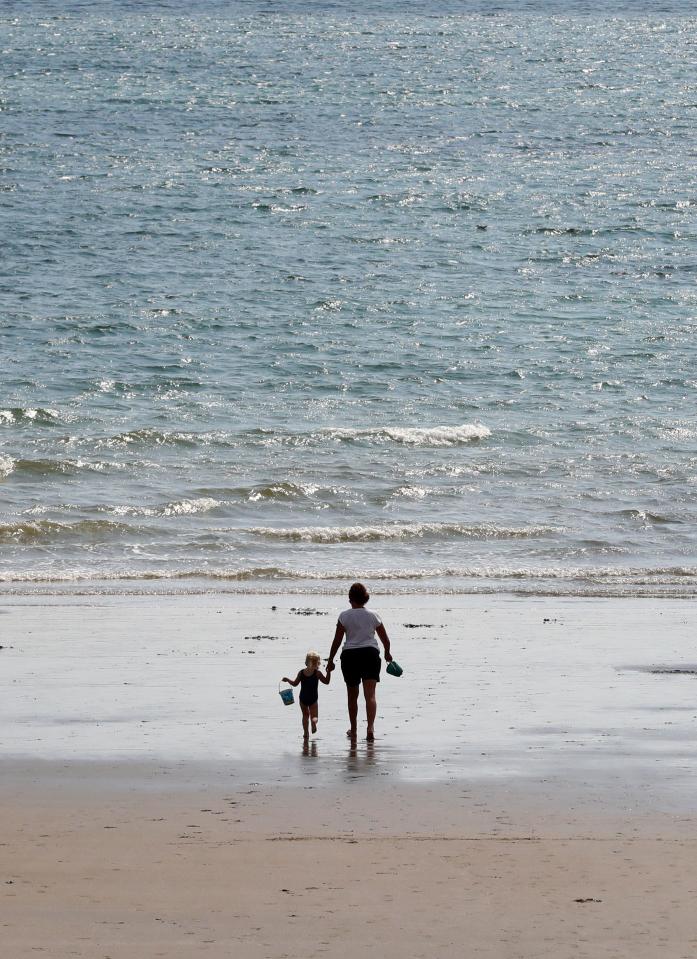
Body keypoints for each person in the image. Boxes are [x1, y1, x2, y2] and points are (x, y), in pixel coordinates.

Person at [326, 582, 393, 742]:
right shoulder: (374, 615)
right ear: (365, 599)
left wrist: (330, 660)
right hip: (370, 654)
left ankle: (354, 729)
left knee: (352, 696)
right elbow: (386, 640)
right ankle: (370, 728)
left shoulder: (344, 616)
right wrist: (387, 653)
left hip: (350, 656)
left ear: (350, 599)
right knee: (370, 695)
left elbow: (337, 640)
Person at [282, 650, 331, 739]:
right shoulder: (317, 673)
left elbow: (295, 684)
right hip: (313, 698)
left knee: (305, 716)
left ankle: (305, 733)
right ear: (317, 663)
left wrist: (287, 679)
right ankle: (313, 724)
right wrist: (329, 672)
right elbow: (327, 682)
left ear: (306, 662)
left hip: (303, 698)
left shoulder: (301, 673)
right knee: (314, 716)